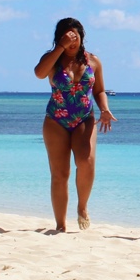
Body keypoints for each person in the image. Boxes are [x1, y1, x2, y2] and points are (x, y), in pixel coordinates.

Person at [33, 17, 116, 232]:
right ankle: (61, 225)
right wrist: (60, 47)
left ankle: (82, 207)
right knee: (60, 174)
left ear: (82, 37)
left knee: (86, 162)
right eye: (67, 37)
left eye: (75, 37)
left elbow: (98, 90)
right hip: (56, 120)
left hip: (84, 118)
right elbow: (39, 73)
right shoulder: (51, 60)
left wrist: (105, 109)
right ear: (59, 38)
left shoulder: (93, 61)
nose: (72, 42)